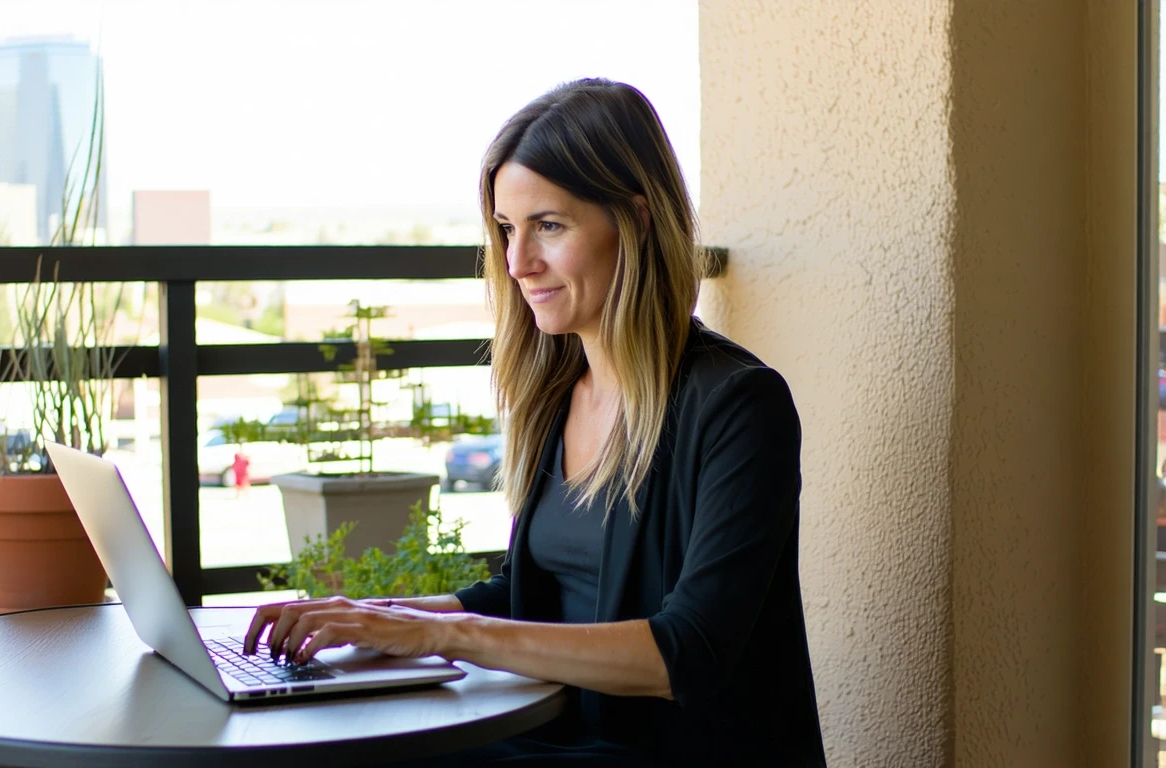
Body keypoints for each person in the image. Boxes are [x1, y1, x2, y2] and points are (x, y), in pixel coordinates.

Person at [243, 78, 826, 765]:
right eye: (506, 230)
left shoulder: (739, 406)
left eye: (549, 225)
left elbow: (688, 652)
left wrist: (442, 639)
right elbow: (538, 593)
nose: (518, 264)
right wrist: (386, 618)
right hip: (567, 735)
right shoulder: (556, 392)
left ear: (636, 220)